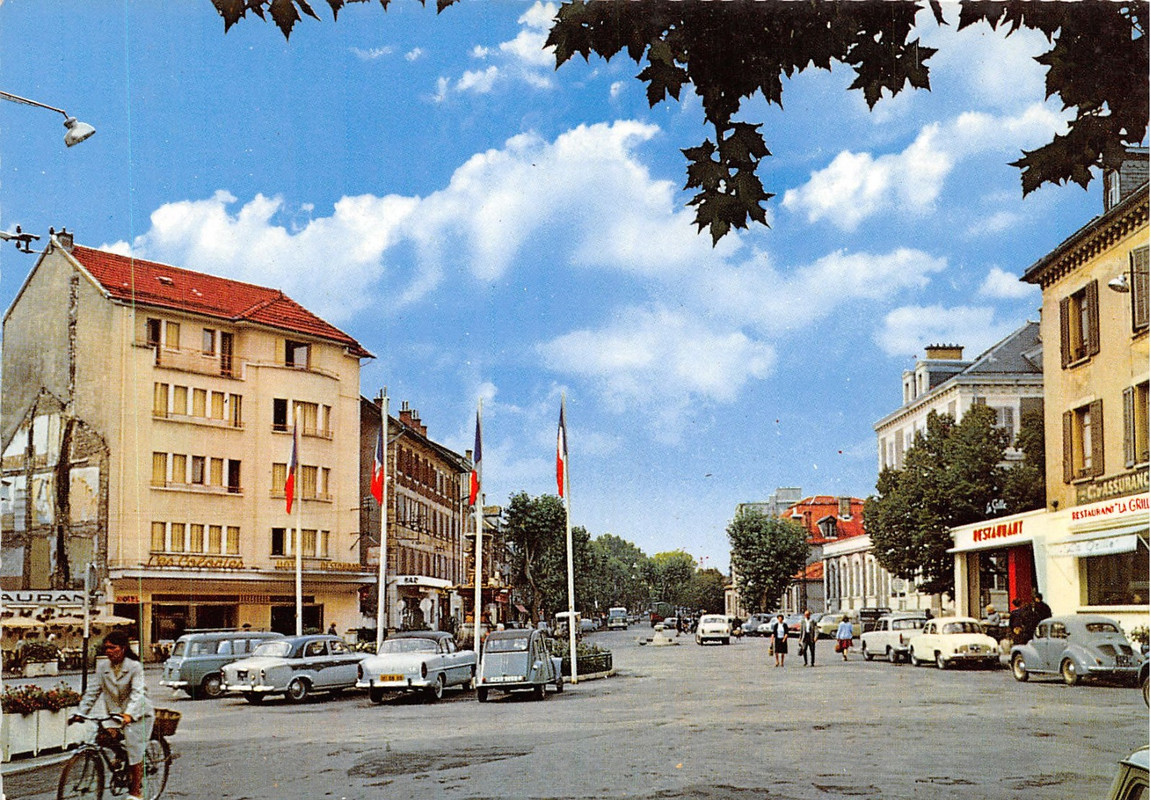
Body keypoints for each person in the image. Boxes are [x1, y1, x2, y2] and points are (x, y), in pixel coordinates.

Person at [72, 630, 154, 800]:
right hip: (115, 716)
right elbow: (92, 692)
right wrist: (80, 713)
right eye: (106, 648)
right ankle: (120, 757)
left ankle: (136, 791)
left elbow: (138, 694)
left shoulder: (134, 667)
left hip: (138, 714)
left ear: (123, 648)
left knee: (134, 748)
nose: (108, 651)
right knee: (102, 738)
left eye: (112, 647)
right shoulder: (103, 668)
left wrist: (129, 714)